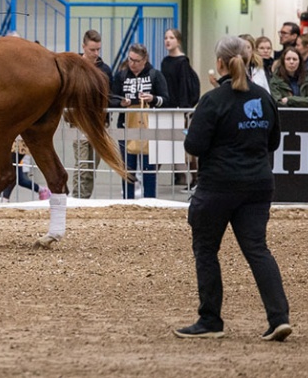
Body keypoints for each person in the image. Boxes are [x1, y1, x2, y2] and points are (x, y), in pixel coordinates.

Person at [174, 36, 291, 342]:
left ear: (220, 64)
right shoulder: (264, 98)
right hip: (258, 186)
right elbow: (274, 142)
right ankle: (279, 318)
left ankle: (210, 319)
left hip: (218, 188)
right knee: (257, 250)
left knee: (206, 250)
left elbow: (194, 145)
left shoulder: (212, 101)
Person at [110, 43, 169, 199]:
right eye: (130, 59)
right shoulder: (121, 76)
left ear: (145, 60)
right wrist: (121, 103)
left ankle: (150, 201)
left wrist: (153, 99)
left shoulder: (155, 75)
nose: (132, 64)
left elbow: (167, 99)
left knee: (149, 169)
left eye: (136, 61)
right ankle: (127, 201)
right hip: (126, 126)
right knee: (127, 169)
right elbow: (111, 99)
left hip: (148, 127)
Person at [71, 29, 112, 199]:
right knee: (82, 164)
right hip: (79, 121)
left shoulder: (105, 69)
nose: (96, 53)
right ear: (83, 47)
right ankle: (77, 197)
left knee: (92, 165)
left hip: (99, 122)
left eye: (98, 50)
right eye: (92, 50)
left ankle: (84, 198)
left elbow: (111, 96)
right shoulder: (75, 67)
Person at [161, 28, 200, 187]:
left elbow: (184, 85)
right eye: (166, 38)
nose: (168, 41)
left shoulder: (182, 62)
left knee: (184, 143)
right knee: (163, 142)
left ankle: (195, 177)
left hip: (178, 108)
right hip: (167, 108)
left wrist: (184, 109)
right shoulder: (165, 61)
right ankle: (179, 175)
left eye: (171, 37)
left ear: (178, 41)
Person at [0, 136, 51, 202]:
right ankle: (4, 197)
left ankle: (4, 197)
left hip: (19, 156)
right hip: (16, 152)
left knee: (18, 177)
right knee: (20, 179)